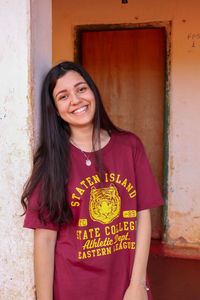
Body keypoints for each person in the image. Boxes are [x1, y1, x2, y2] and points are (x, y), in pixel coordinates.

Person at [21, 61, 163, 300]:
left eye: (81, 89)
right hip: (72, 288)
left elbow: (142, 215)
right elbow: (45, 239)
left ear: (93, 92)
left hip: (126, 285)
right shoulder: (52, 161)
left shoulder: (130, 146)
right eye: (63, 96)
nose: (76, 100)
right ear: (55, 109)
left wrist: (138, 283)